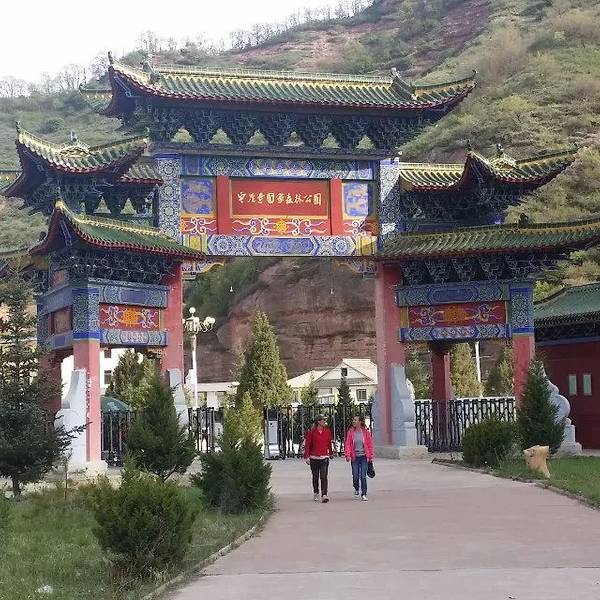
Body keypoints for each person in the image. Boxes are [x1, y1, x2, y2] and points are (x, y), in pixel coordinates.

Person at [304, 414, 334, 503]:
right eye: (323, 420)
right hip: (314, 457)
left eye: (325, 420)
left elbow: (329, 443)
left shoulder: (327, 431)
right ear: (318, 422)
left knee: (324, 476)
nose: (325, 421)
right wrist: (307, 457)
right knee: (315, 477)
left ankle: (324, 494)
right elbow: (307, 445)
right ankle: (316, 492)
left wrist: (331, 453)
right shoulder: (312, 432)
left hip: (324, 457)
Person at [344, 415, 374, 501]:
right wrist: (347, 455)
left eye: (355, 420)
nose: (353, 421)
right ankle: (356, 488)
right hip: (355, 457)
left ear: (360, 422)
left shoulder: (366, 432)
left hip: (364, 457)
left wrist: (370, 456)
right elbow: (348, 444)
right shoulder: (350, 432)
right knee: (355, 476)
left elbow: (370, 444)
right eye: (353, 420)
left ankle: (364, 493)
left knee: (363, 476)